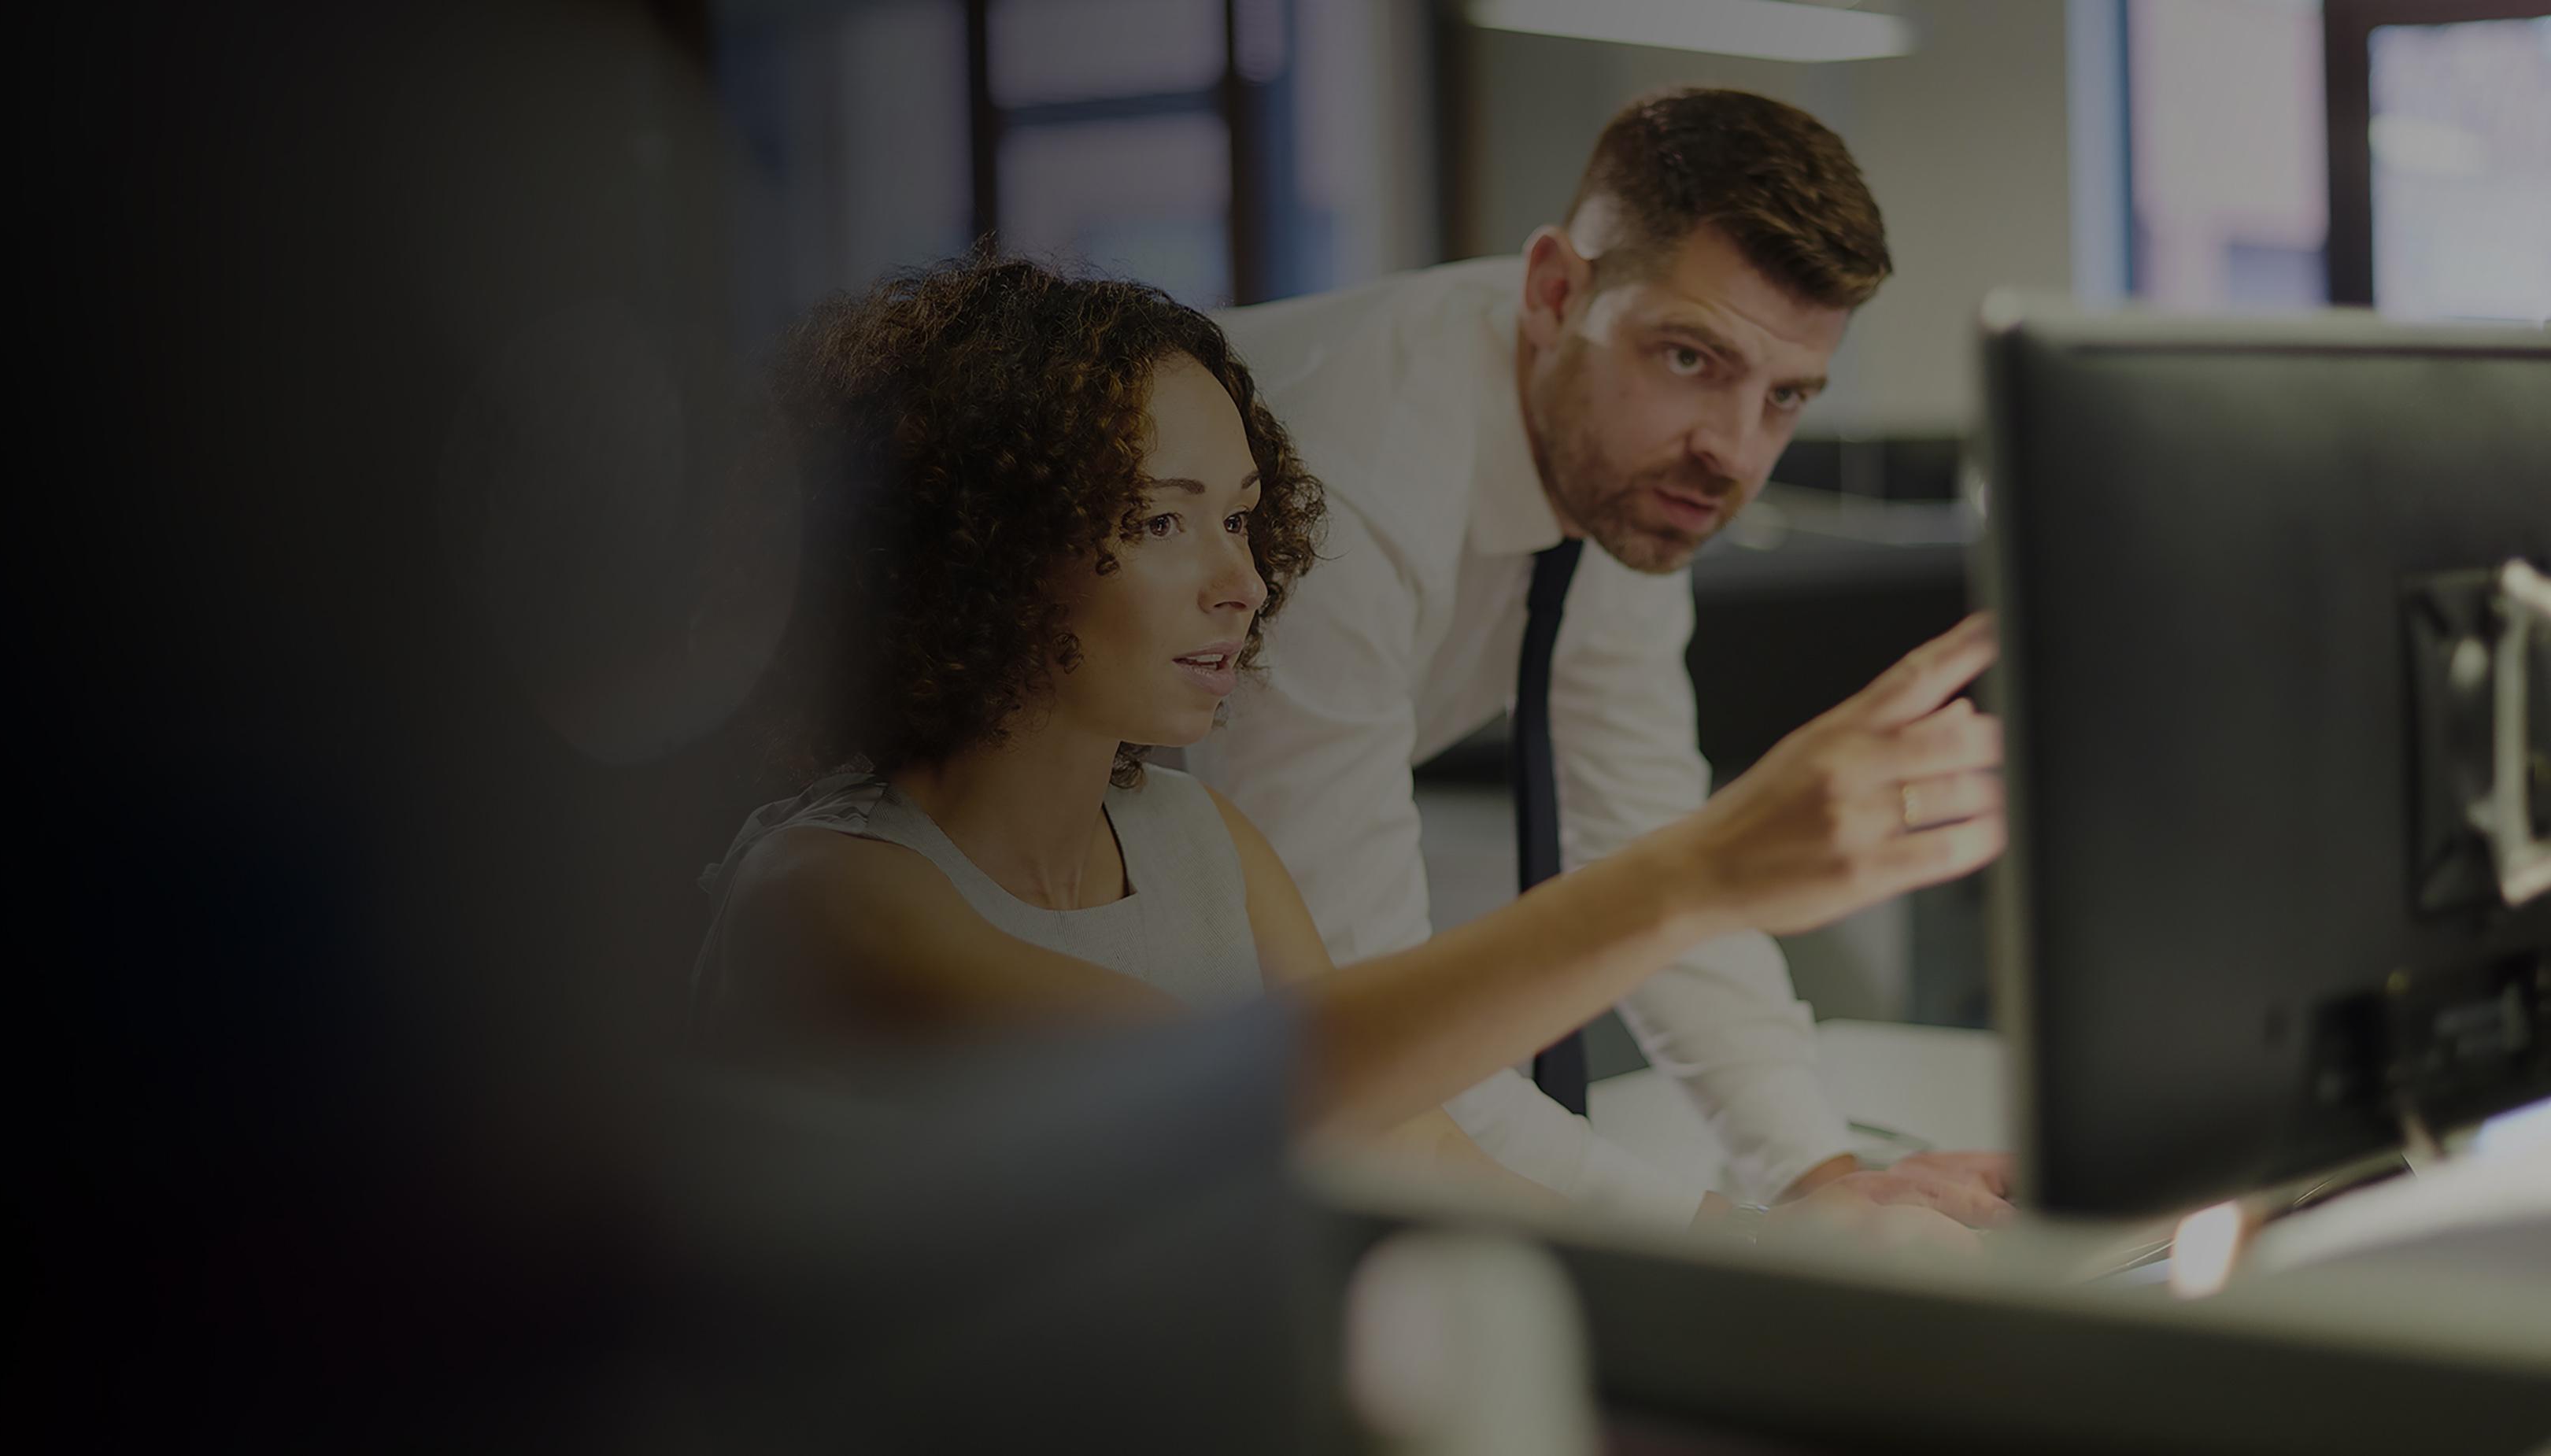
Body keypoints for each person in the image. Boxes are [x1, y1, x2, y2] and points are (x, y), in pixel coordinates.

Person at [697, 253, 2006, 1246]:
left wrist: (1761, 1250)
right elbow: (1267, 1094)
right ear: (980, 545)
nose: (1240, 584)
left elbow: (1408, 1141)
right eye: (1162, 522)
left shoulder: (1202, 843)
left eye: (1243, 519)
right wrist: (1696, 876)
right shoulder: (833, 902)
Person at [1178, 87, 2014, 1231]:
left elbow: (1642, 830)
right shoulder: (1343, 490)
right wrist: (1724, 1244)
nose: (1733, 451)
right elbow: (1383, 1027)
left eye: (1786, 397)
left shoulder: (1630, 472)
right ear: (1554, 292)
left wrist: (1816, 1177)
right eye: (1689, 357)